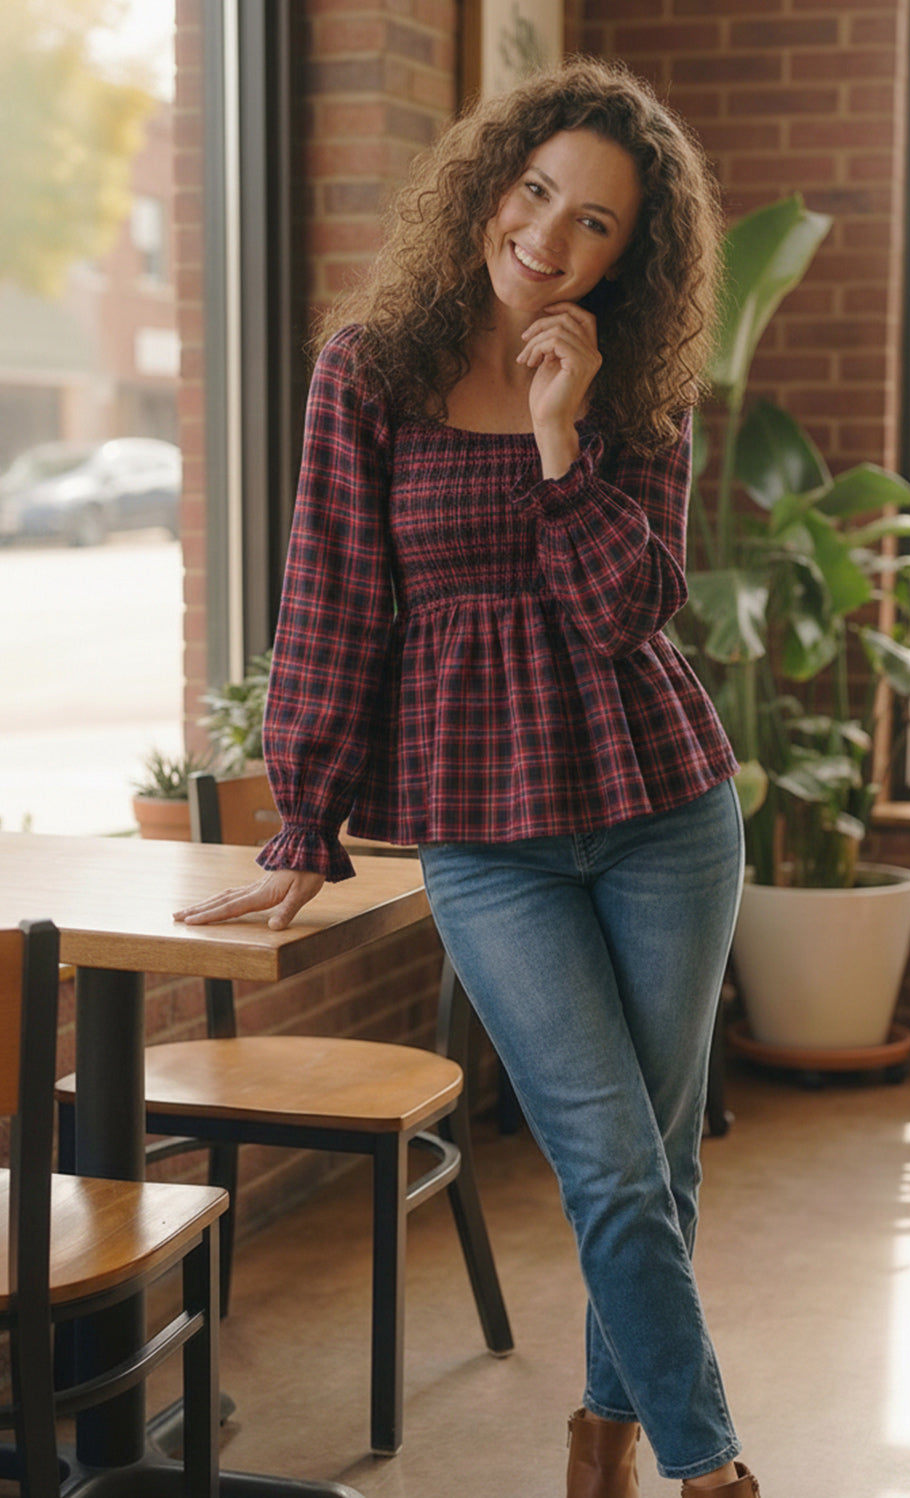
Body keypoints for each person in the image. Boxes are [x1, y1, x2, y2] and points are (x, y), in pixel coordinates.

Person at [175, 57, 761, 1497]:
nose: (551, 239)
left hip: (665, 811)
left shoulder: (636, 391)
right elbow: (330, 599)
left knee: (661, 1163)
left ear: (636, 255)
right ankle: (716, 1471)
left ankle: (601, 1440)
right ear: (492, 181)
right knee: (611, 1163)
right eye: (538, 191)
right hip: (486, 835)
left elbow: (628, 612)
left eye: (599, 225)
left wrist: (563, 431)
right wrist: (301, 818)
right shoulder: (369, 370)